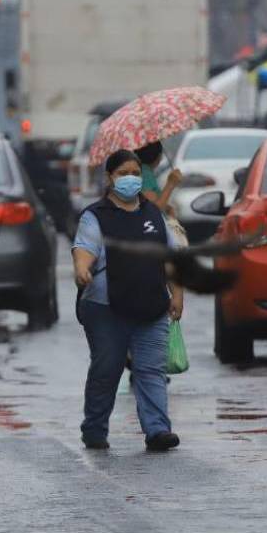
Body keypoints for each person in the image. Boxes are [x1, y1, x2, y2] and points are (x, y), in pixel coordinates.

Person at [72, 149, 185, 452]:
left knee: (151, 371)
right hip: (105, 308)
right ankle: (94, 428)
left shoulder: (153, 214)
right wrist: (82, 269)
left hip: (152, 306)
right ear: (110, 178)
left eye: (136, 173)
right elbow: (84, 248)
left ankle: (158, 430)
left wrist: (177, 293)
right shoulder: (95, 216)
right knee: (107, 369)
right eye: (123, 174)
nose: (131, 179)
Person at [135, 141, 182, 213]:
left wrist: (166, 208)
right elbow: (155, 209)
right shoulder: (145, 174)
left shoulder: (142, 170)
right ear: (159, 156)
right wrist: (170, 183)